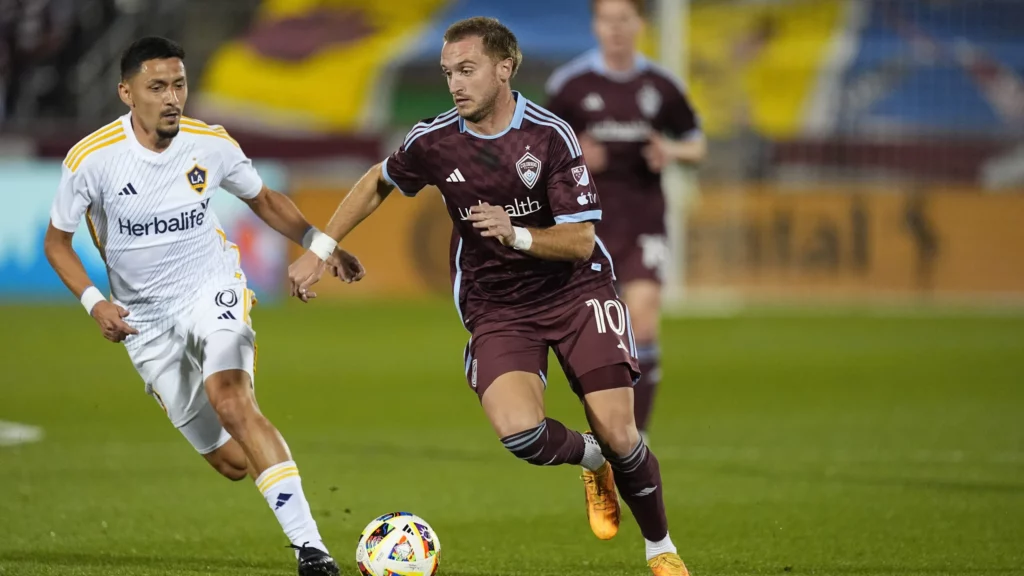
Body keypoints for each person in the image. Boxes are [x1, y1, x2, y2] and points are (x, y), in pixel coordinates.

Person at [288, 17, 690, 576]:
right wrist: (321, 246)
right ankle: (591, 458)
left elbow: (580, 240)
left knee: (622, 432)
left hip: (576, 290)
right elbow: (379, 179)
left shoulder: (550, 136)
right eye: (448, 72)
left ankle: (660, 548)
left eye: (467, 70)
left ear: (504, 69)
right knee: (522, 434)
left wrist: (516, 233)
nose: (455, 84)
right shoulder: (434, 140)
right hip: (498, 304)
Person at [42, 36, 362, 576]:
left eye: (179, 85)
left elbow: (263, 199)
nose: (172, 98)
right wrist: (95, 303)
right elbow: (57, 242)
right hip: (144, 321)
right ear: (126, 93)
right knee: (233, 462)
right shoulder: (91, 159)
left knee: (232, 399)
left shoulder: (209, 144)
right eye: (157, 87)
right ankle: (275, 467)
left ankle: (312, 550)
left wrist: (319, 244)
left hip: (211, 289)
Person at [544, 0, 705, 440]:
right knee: (600, 337)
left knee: (644, 321)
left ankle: (637, 438)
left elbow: (696, 143)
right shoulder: (570, 85)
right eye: (606, 20)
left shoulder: (661, 86)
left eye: (623, 19)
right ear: (595, 26)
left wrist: (671, 150)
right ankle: (609, 431)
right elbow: (538, 150)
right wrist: (576, 154)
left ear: (639, 24)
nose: (615, 28)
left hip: (643, 220)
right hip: (586, 225)